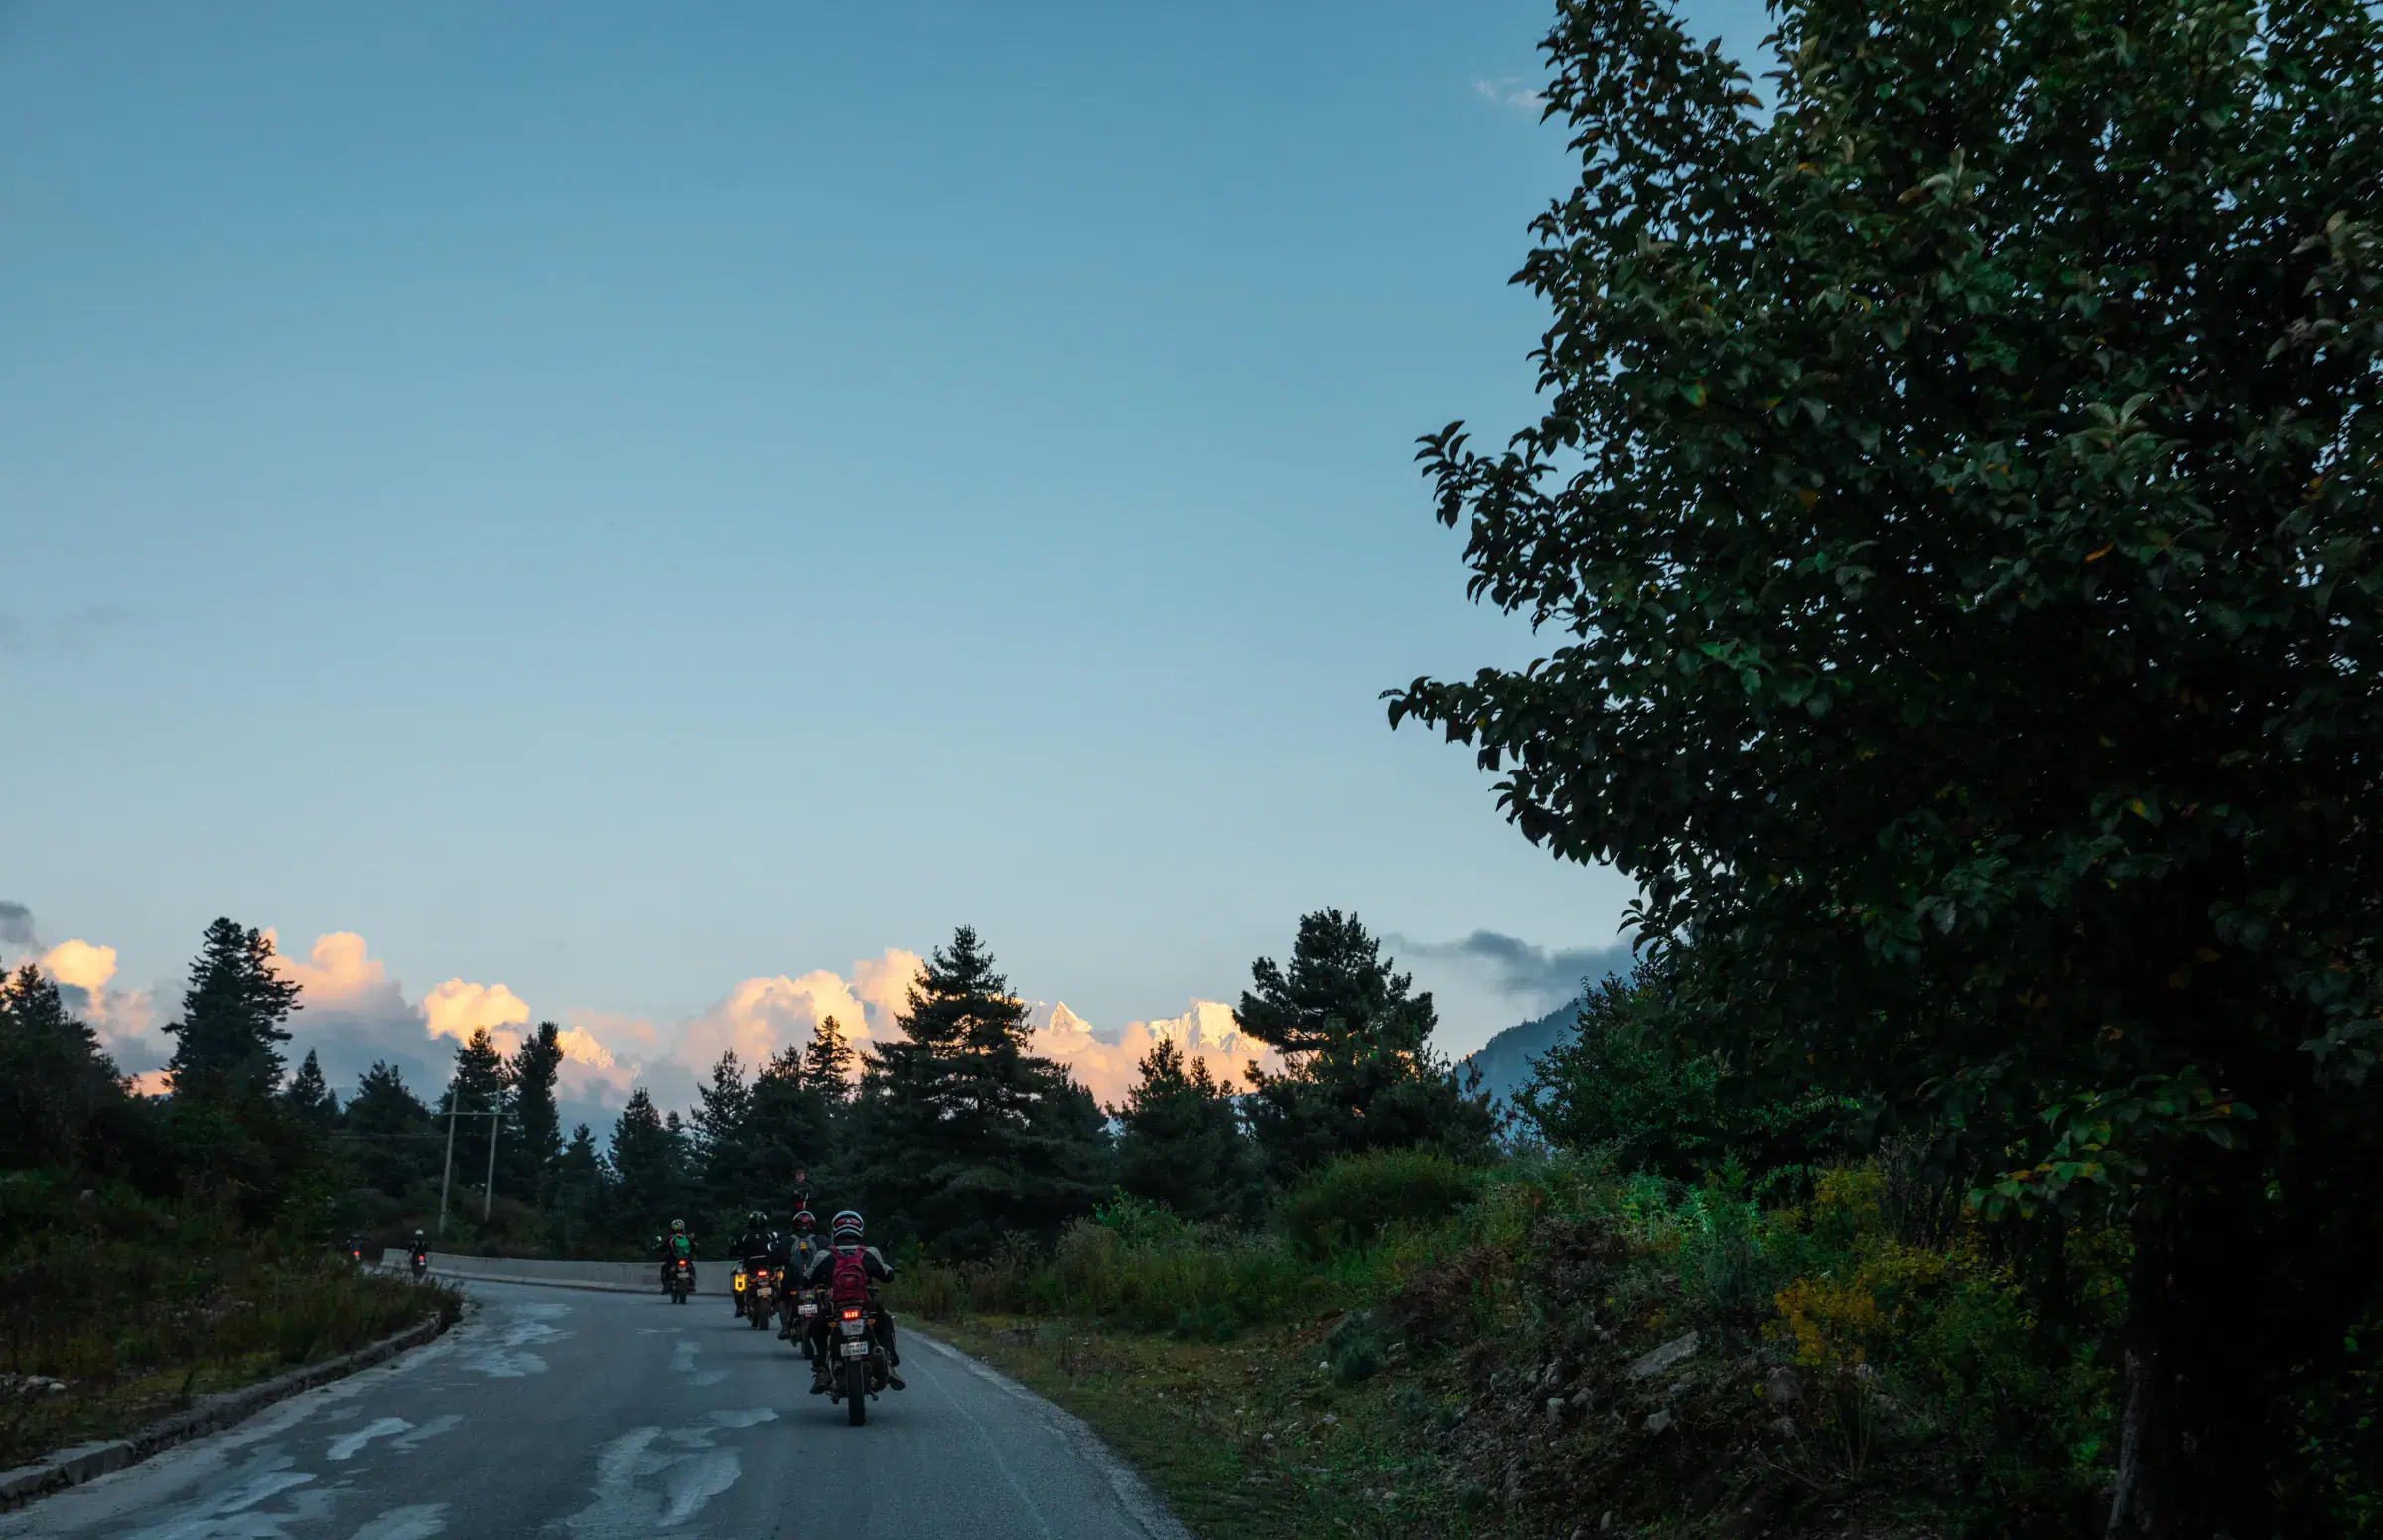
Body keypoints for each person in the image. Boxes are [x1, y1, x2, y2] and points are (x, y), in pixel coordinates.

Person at [803, 1210, 902, 1392]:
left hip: (836, 1307)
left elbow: (807, 1278)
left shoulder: (825, 1255)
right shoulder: (869, 1253)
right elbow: (887, 1274)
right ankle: (888, 1363)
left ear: (835, 1231)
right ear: (860, 1230)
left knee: (816, 1329)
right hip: (865, 1306)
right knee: (885, 1322)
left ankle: (822, 1371)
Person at [776, 1209, 830, 1342]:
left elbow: (776, 1258)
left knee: (783, 1298)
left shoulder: (787, 1241)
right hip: (815, 1278)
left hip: (795, 1279)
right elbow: (832, 1255)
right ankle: (830, 1320)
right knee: (828, 1293)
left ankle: (785, 1328)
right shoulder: (821, 1240)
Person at [659, 1218, 695, 1290]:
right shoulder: (687, 1238)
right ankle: (692, 1282)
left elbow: (662, 1247)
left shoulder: (670, 1238)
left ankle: (666, 1285)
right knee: (691, 1267)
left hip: (673, 1260)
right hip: (685, 1259)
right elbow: (694, 1247)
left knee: (664, 1268)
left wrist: (659, 1249)